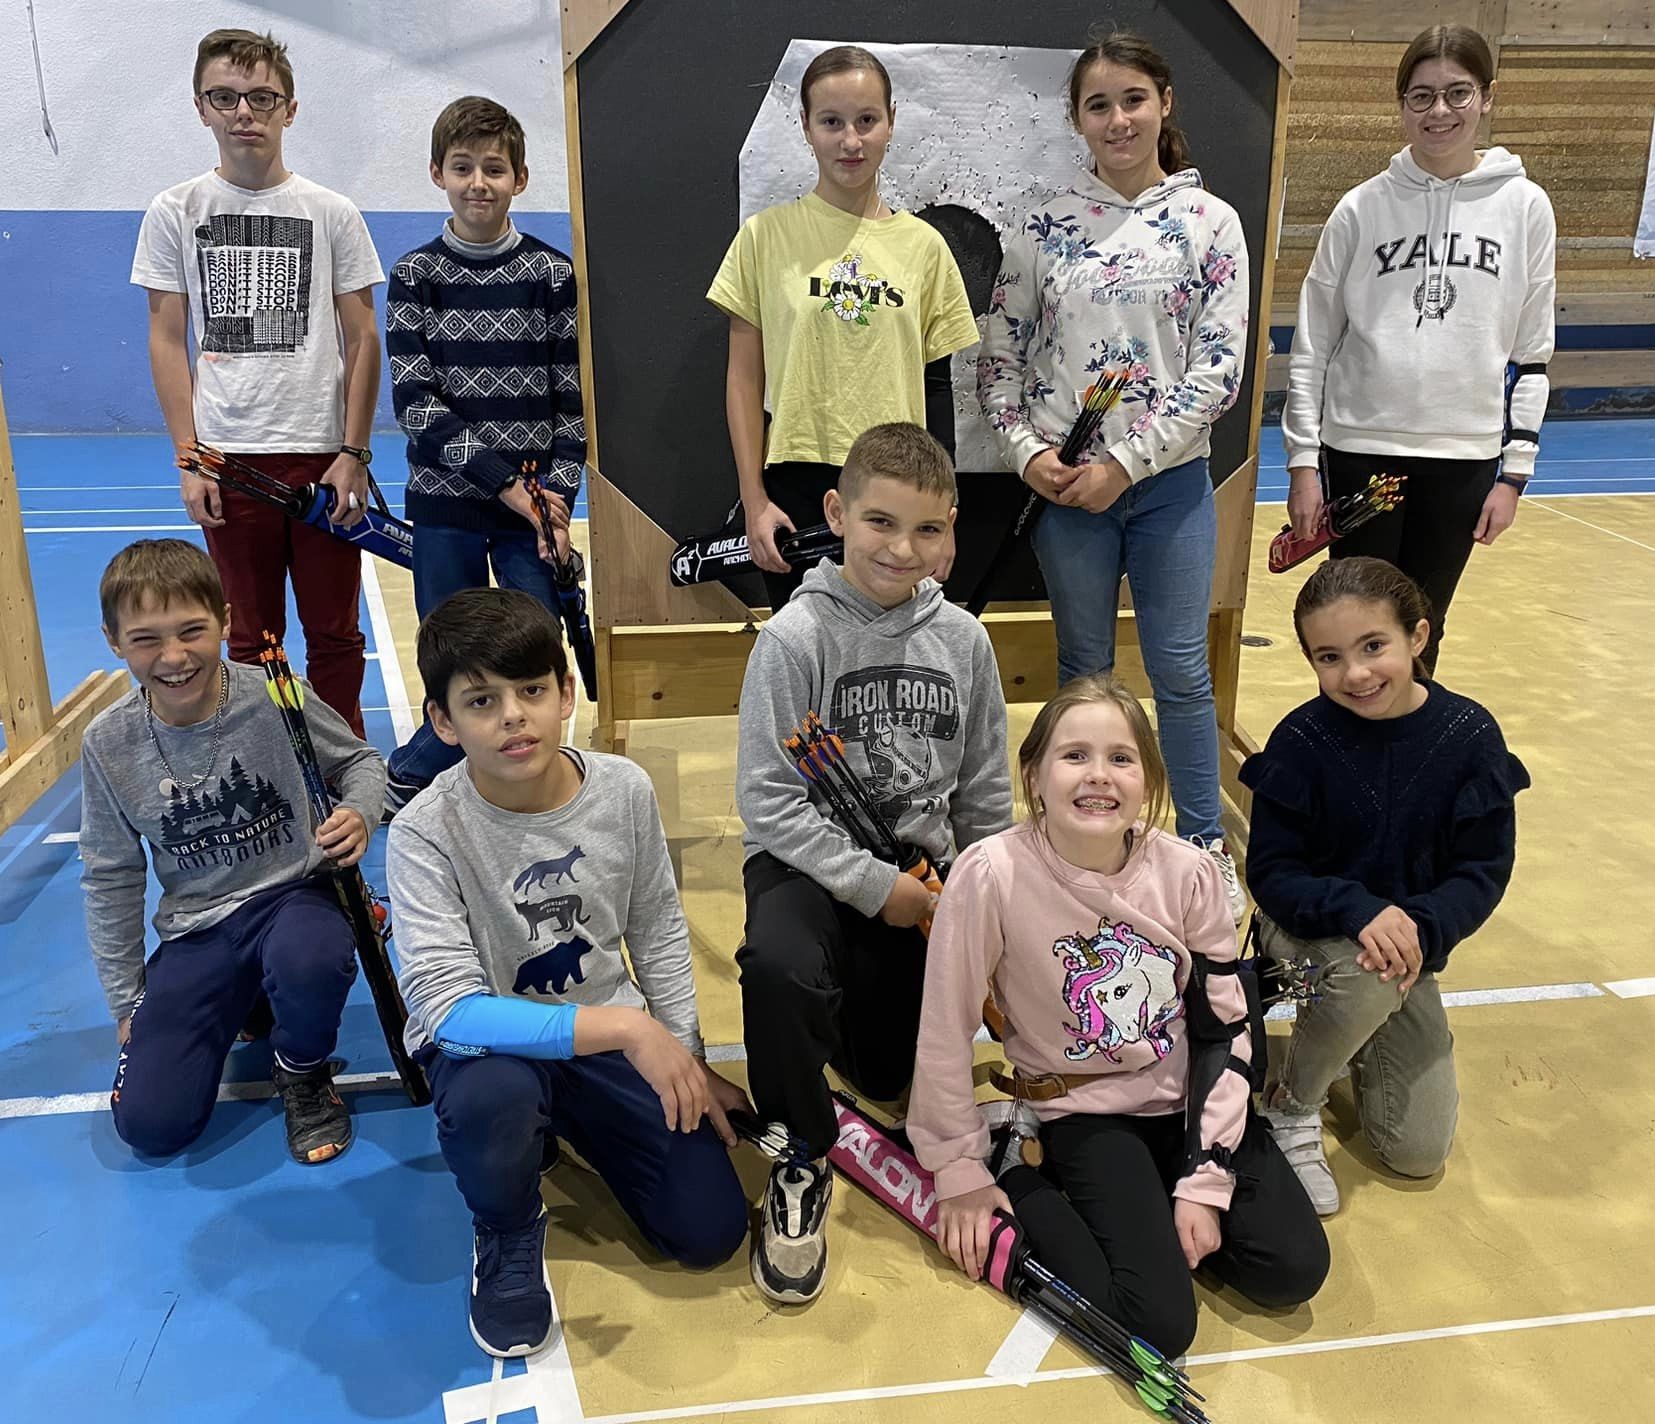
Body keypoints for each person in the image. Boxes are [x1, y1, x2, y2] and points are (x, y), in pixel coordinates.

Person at [910, 675, 1328, 1360]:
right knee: (1160, 1324)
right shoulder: (990, 874)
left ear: (1148, 781)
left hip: (1186, 1098)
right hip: (1087, 1111)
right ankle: (1018, 1166)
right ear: (1034, 776)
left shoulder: (1189, 873)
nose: (1098, 775)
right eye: (1074, 755)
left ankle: (1158, 1203)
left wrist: (1205, 1179)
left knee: (1292, 1269)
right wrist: (959, 1169)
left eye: (1121, 758)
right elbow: (944, 1030)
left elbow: (1225, 1031)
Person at [385, 588, 748, 1358]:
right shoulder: (424, 833)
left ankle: (561, 1123)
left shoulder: (623, 791)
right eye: (481, 701)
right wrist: (630, 1028)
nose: (513, 717)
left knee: (710, 1232)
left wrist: (685, 1056)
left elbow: (656, 927)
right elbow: (449, 1009)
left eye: (531, 690)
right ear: (442, 722)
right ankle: (507, 1226)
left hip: (603, 1040)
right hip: (492, 1050)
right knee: (493, 1100)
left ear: (566, 693)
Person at [734, 422, 1011, 1304]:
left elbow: (984, 797)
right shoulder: (793, 638)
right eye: (880, 523)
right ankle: (798, 1152)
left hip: (921, 876)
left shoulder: (964, 641)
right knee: (778, 967)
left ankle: (852, 1029)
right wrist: (871, 886)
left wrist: (987, 906)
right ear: (836, 513)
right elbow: (770, 802)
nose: (902, 549)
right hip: (807, 865)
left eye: (927, 529)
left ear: (952, 527)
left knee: (888, 1076)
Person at [975, 31, 1250, 859]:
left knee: (1182, 673)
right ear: (1078, 120)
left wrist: (1126, 466)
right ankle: (1082, 840)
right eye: (1099, 105)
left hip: (1171, 490)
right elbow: (999, 359)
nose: (1119, 119)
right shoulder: (1043, 226)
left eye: (1133, 99)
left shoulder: (1210, 223)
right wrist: (1028, 454)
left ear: (1164, 103)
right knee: (1085, 673)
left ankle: (1203, 850)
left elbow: (1219, 372)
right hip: (1069, 495)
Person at [80, 538, 384, 1165]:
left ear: (224, 620)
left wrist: (359, 812)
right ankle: (251, 1000)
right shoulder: (107, 742)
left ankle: (301, 1070)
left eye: (191, 631)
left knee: (311, 955)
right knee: (152, 1126)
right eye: (145, 640)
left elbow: (359, 762)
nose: (173, 657)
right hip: (199, 926)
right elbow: (111, 877)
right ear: (113, 641)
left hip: (292, 895)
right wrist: (126, 1001)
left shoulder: (276, 693)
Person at [1242, 556, 1530, 1215]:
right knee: (1366, 977)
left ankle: (1356, 1024)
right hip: (1304, 937)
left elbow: (1482, 872)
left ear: (1417, 636)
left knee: (1416, 1151)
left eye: (1374, 646)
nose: (1356, 673)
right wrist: (1359, 909)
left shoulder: (1469, 735)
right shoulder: (1301, 739)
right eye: (1330, 657)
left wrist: (1419, 929)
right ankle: (1290, 1104)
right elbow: (1273, 875)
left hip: (1404, 952)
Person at [133, 28, 385, 736]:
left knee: (335, 635)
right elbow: (166, 338)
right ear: (201, 107)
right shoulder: (175, 211)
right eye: (225, 97)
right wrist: (190, 459)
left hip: (322, 459)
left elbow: (364, 338)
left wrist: (354, 452)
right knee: (249, 641)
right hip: (230, 460)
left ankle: (344, 763)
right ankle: (269, 763)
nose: (244, 111)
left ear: (289, 109)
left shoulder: (332, 213)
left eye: (262, 97)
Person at [1283, 23, 1557, 674]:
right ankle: (1349, 740)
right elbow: (1313, 344)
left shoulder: (1525, 208)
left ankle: (1411, 742)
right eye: (1422, 96)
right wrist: (1302, 463)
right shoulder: (1359, 210)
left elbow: (1534, 353)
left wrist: (1514, 475)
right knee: (1356, 630)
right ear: (1402, 104)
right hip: (1362, 453)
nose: (1440, 111)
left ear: (1487, 96)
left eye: (1458, 93)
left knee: (1422, 633)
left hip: (1463, 460)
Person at [710, 45, 979, 608]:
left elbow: (937, 389)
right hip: (796, 488)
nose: (851, 141)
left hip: (900, 491)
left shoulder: (926, 248)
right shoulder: (763, 238)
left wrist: (940, 513)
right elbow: (743, 381)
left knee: (891, 650)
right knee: (807, 649)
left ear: (890, 123)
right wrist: (754, 500)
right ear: (806, 126)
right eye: (831, 122)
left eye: (866, 120)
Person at [384, 95, 585, 809]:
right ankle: (428, 771)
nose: (479, 183)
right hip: (446, 510)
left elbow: (571, 406)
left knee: (535, 648)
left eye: (494, 169)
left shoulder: (552, 275)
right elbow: (416, 404)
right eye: (463, 167)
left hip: (534, 515)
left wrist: (555, 502)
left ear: (519, 179)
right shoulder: (414, 275)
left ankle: (511, 772)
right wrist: (506, 483)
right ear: (437, 173)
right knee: (452, 658)